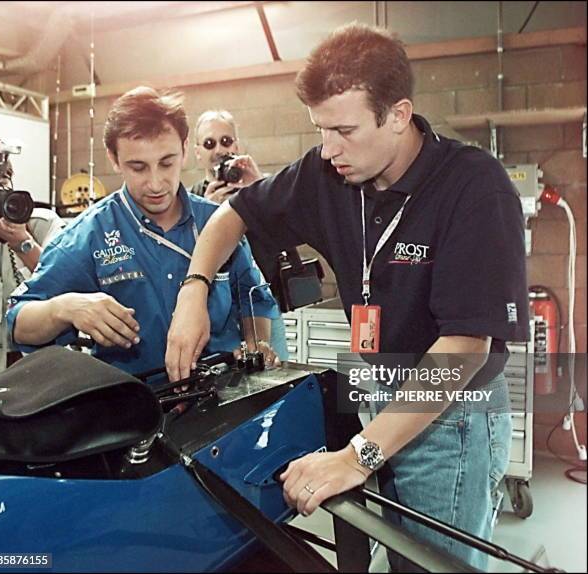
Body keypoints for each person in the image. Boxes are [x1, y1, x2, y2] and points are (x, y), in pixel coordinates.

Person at [165, 24, 529, 571]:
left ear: (399, 116)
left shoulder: (474, 187)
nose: (329, 148)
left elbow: (463, 347)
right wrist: (193, 290)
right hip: (382, 392)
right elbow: (234, 214)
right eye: (320, 129)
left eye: (344, 129)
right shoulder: (326, 173)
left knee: (433, 564)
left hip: (453, 415)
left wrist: (361, 455)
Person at [7, 86, 279, 380]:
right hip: (136, 411)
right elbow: (17, 322)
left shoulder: (219, 223)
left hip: (222, 400)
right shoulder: (89, 236)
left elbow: (255, 298)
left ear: (186, 149)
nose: (156, 183)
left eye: (166, 162)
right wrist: (67, 308)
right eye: (138, 167)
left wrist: (258, 343)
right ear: (113, 158)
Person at [191, 109, 289, 362]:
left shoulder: (257, 187)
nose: (219, 150)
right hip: (217, 309)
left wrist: (259, 191)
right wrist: (208, 213)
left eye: (226, 141)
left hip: (261, 306)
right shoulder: (192, 200)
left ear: (237, 144)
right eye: (209, 143)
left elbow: (288, 238)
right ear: (197, 152)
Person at [0, 165, 65, 380]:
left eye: (3, 182)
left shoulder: (42, 224)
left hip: (36, 375)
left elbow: (66, 282)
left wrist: (22, 242)